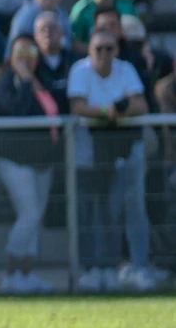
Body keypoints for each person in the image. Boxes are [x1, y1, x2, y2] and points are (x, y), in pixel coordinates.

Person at [68, 28, 160, 290]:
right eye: (99, 49)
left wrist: (112, 113)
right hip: (91, 152)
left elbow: (140, 104)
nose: (105, 54)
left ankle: (134, 268)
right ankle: (95, 269)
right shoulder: (80, 71)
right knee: (95, 209)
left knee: (128, 207)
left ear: (117, 50)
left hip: (125, 147)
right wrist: (111, 111)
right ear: (90, 50)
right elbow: (77, 107)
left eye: (110, 48)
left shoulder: (126, 69)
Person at [0, 35, 65, 294]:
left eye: (31, 52)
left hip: (43, 161)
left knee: (34, 217)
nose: (27, 58)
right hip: (14, 159)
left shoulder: (46, 81)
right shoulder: (4, 85)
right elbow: (17, 110)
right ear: (10, 58)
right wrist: (26, 81)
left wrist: (34, 82)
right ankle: (10, 273)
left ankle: (26, 275)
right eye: (20, 53)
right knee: (29, 214)